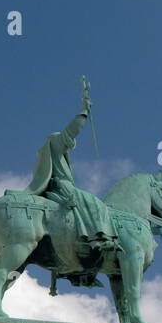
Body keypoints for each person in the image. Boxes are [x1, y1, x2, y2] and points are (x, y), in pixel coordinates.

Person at [23, 84, 121, 255]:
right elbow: (71, 131)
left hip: (57, 187)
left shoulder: (46, 156)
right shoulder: (54, 144)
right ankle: (99, 238)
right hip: (62, 186)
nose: (68, 147)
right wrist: (84, 111)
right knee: (94, 202)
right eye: (64, 143)